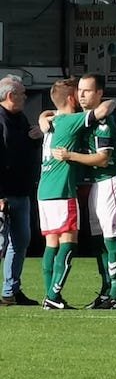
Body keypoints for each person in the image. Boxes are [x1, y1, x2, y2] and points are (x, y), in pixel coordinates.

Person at [52, 73, 116, 309]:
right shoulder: (83, 118)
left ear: (99, 93)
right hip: (96, 185)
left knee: (113, 240)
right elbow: (53, 115)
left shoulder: (105, 122)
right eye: (80, 90)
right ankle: (105, 291)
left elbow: (103, 159)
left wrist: (70, 156)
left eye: (87, 90)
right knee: (100, 241)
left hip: (112, 182)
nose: (82, 94)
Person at [36, 78, 116, 309]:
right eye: (78, 93)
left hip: (44, 190)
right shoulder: (71, 121)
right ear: (71, 98)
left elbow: (52, 111)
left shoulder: (53, 122)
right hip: (62, 190)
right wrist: (109, 100)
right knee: (69, 243)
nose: (81, 96)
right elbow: (101, 111)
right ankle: (53, 295)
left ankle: (50, 295)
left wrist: (43, 115)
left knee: (52, 243)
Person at [0, 74, 43, 306]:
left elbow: (21, 150)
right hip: (4, 193)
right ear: (10, 95)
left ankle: (11, 291)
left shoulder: (21, 118)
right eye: (22, 93)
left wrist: (34, 139)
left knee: (20, 242)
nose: (25, 97)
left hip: (21, 191)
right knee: (0, 243)